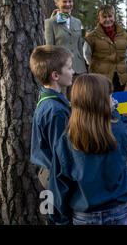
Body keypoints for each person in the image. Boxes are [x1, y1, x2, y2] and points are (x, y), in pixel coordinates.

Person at [49, 73, 127, 225]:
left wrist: (60, 218)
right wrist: (114, 112)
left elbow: (59, 183)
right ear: (101, 102)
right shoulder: (119, 131)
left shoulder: (67, 139)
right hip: (117, 210)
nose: (113, 99)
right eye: (110, 96)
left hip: (84, 215)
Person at [29, 45, 74, 190]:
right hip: (58, 179)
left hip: (51, 173)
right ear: (55, 75)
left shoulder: (48, 98)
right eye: (69, 68)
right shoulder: (56, 111)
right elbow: (62, 156)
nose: (73, 72)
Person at [83, 5, 127, 92]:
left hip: (119, 76)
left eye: (110, 16)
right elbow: (86, 55)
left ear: (114, 16)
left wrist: (118, 63)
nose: (107, 19)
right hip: (100, 77)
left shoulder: (124, 35)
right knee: (102, 102)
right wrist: (97, 66)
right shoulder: (92, 36)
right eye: (104, 17)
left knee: (118, 102)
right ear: (99, 18)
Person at [44, 0, 87, 81]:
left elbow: (80, 47)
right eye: (64, 1)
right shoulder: (50, 23)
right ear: (56, 3)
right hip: (60, 70)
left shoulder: (78, 22)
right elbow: (49, 50)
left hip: (78, 70)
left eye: (70, 1)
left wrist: (84, 68)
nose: (68, 4)